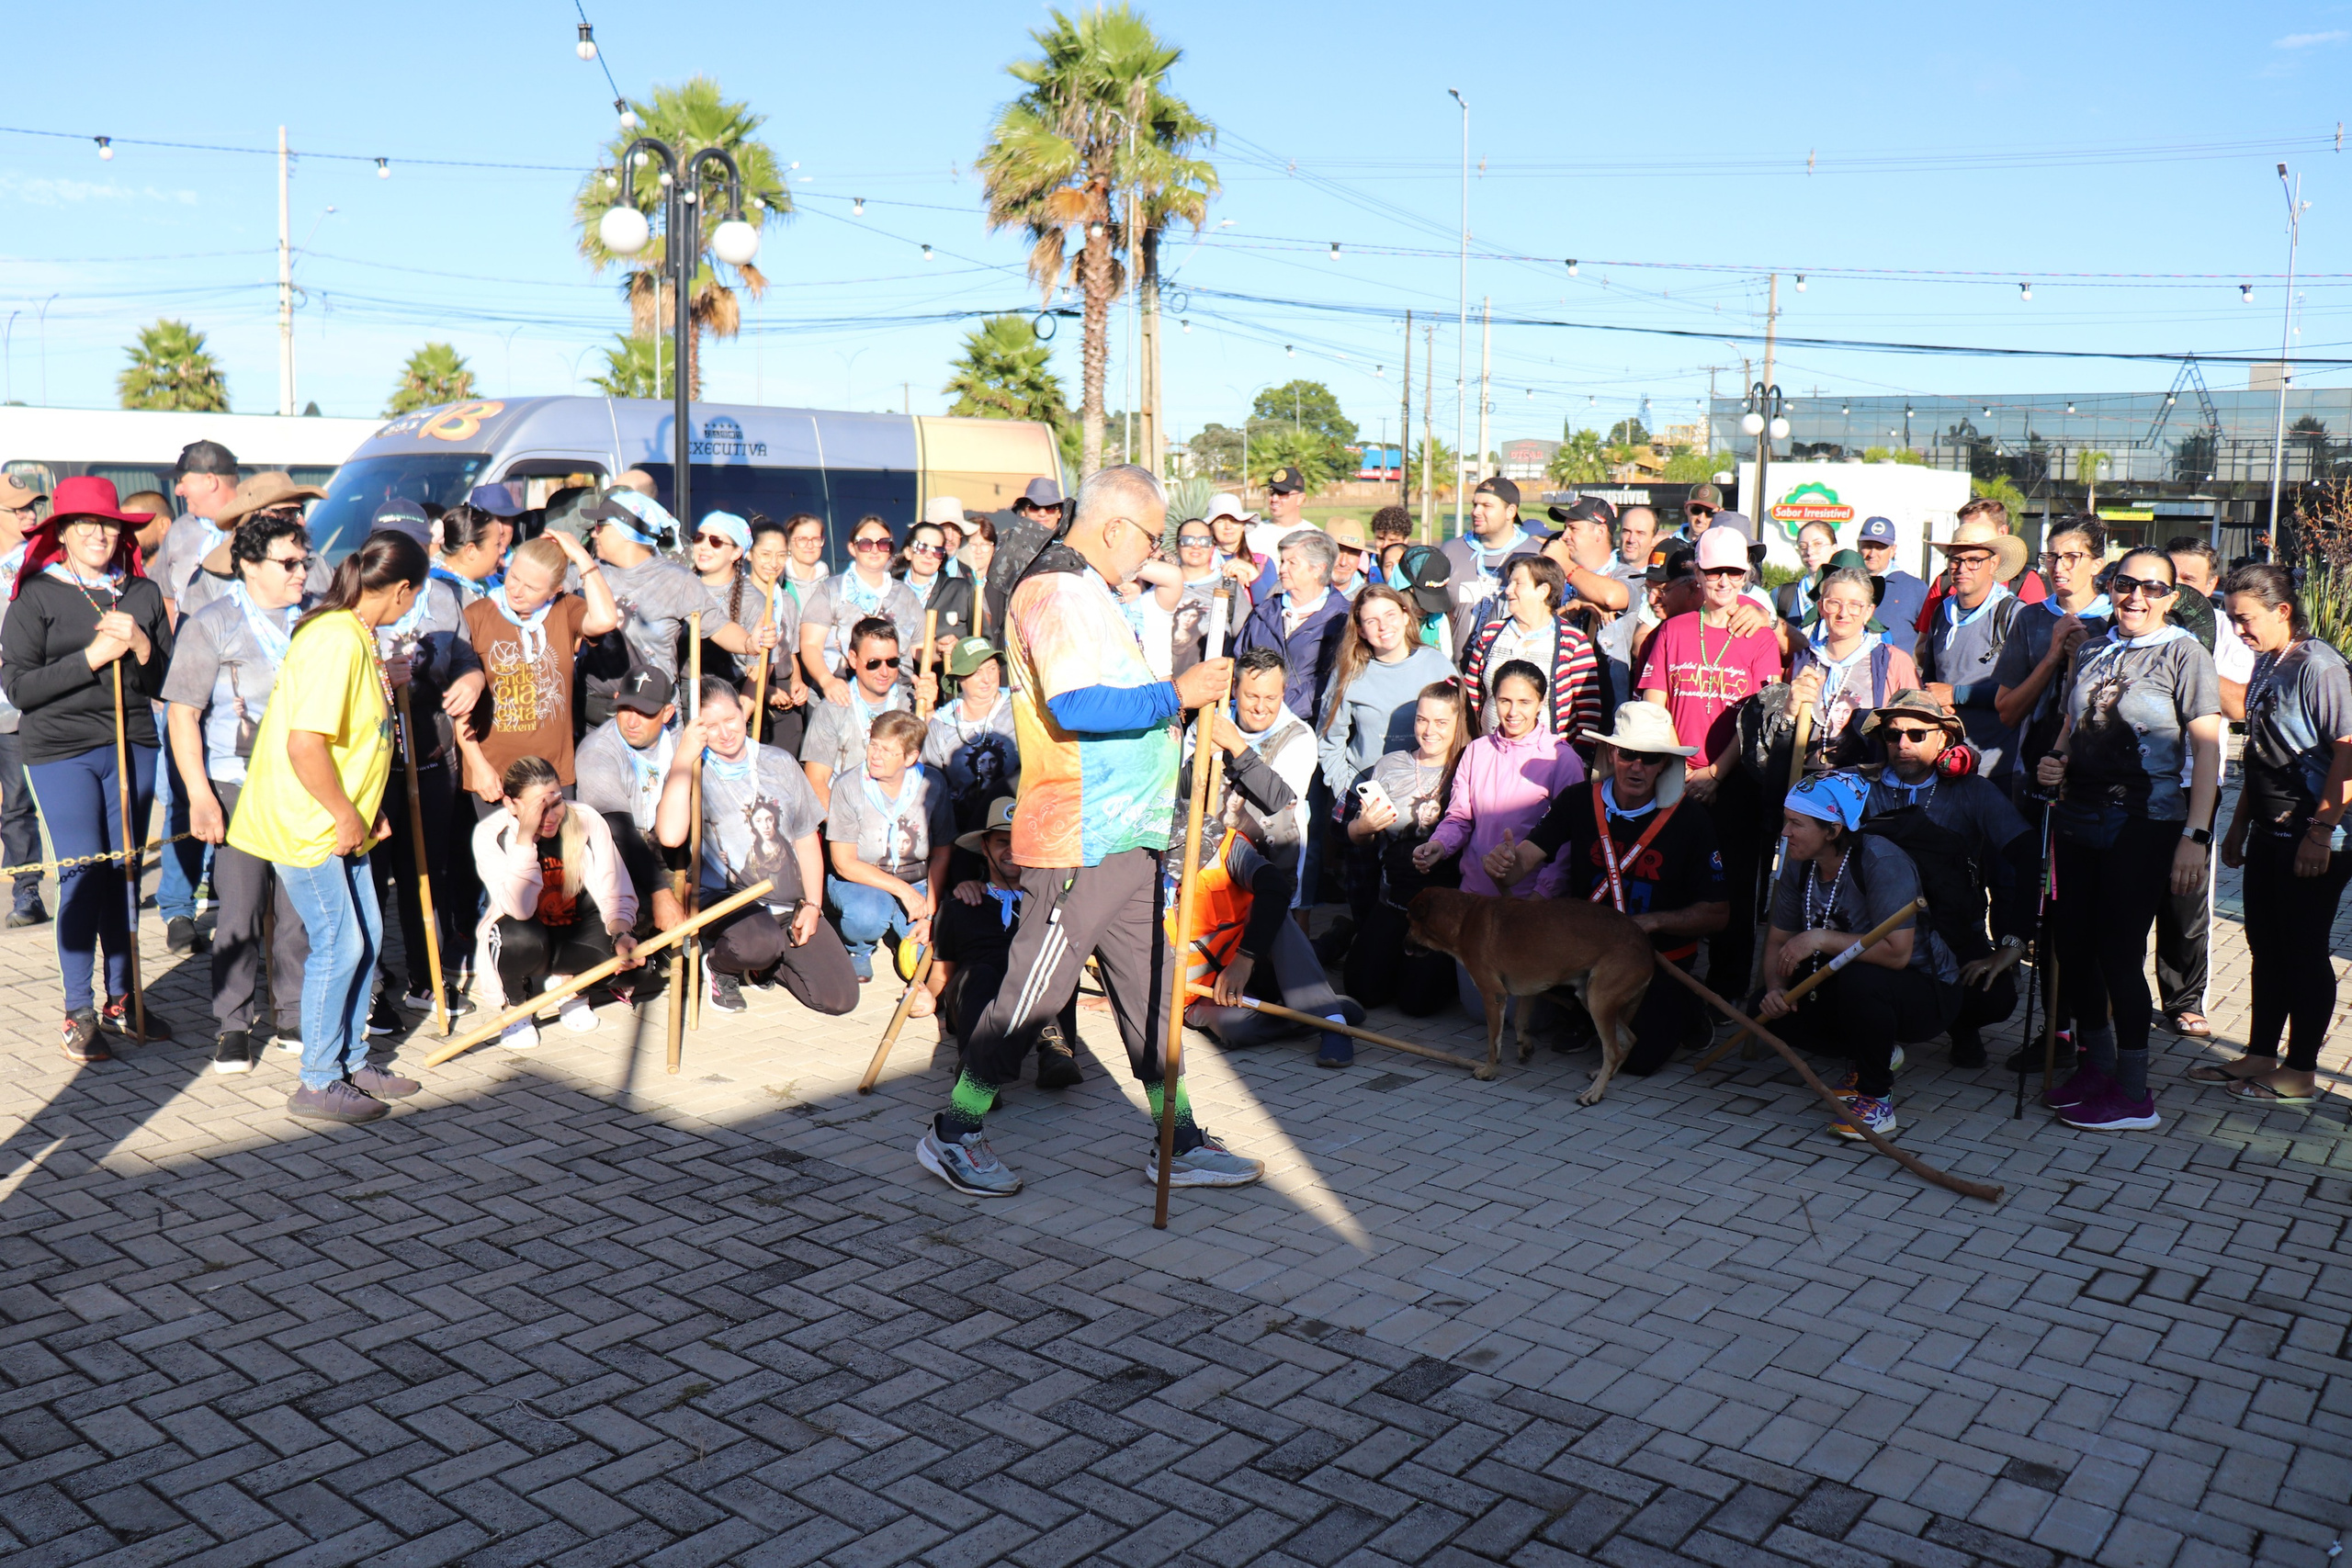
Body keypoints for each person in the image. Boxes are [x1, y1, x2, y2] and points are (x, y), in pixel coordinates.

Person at [916, 464, 1258, 1198]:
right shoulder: (1058, 591)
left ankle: (1181, 1137)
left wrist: (1176, 705)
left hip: (1128, 835)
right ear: (1114, 527)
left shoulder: (1094, 593)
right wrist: (1178, 693)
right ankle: (955, 1130)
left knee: (1152, 997)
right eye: (1151, 534)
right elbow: (1075, 705)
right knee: (1034, 993)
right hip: (1081, 833)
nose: (1154, 549)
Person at [226, 533, 430, 1124]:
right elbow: (305, 743)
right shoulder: (335, 639)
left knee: (364, 936)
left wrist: (367, 808)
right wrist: (345, 811)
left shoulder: (356, 635)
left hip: (345, 820)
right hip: (310, 823)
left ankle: (350, 1059)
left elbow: (356, 739)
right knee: (339, 944)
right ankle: (317, 1080)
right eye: (412, 599)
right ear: (402, 589)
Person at [2032, 547, 2221, 1134]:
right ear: (2111, 586)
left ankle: (2135, 1094)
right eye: (2126, 583)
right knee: (2074, 945)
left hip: (2144, 822)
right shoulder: (2092, 647)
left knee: (2117, 952)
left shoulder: (2185, 655)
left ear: (2171, 596)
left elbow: (2208, 750)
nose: (2136, 596)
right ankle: (2098, 1068)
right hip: (2077, 817)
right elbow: (2072, 723)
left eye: (2153, 587)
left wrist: (2196, 834)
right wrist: (2055, 761)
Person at [3, 478, 176, 1061]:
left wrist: (145, 650)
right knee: (83, 871)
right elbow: (20, 688)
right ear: (63, 533)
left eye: (109, 525)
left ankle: (123, 997)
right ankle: (78, 1009)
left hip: (134, 744)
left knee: (125, 870)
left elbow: (167, 683)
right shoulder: (37, 596)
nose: (100, 533)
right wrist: (92, 659)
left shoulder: (143, 593)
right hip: (61, 750)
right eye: (85, 524)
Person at [1490, 702, 1728, 1073]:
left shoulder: (1692, 820)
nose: (1638, 766)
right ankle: (1583, 1012)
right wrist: (1502, 866)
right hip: (1585, 951)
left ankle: (1686, 1004)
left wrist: (1650, 923)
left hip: (1655, 955)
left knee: (1640, 1062)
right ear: (1611, 753)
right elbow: (1519, 866)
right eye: (1629, 754)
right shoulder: (1577, 801)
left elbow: (1717, 913)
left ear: (1665, 763)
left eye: (1650, 758)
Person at [164, 513, 320, 1072]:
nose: (303, 572)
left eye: (305, 560)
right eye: (289, 563)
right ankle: (233, 1024)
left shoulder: (320, 619)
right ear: (250, 566)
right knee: (241, 907)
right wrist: (201, 796)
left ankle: (294, 1011)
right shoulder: (212, 623)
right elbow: (183, 715)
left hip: (307, 783)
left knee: (299, 907)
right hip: (238, 783)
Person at [2211, 565, 2352, 1105]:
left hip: (2315, 834)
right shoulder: (2271, 661)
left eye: (2245, 619)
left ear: (2282, 611)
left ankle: (2301, 1069)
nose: (2239, 630)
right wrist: (2239, 826)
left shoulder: (2320, 665)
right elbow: (2260, 754)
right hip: (2271, 830)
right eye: (2232, 619)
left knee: (2303, 949)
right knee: (2264, 945)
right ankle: (2261, 1053)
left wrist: (2321, 831)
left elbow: (2348, 748)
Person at [1759, 772, 1961, 1141]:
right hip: (1853, 973)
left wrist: (1820, 937)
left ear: (1833, 830)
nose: (1785, 833)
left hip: (1925, 991)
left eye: (1796, 824)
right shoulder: (1799, 862)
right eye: (1786, 821)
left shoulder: (1881, 861)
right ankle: (1873, 1052)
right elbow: (1778, 941)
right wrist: (1775, 988)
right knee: (1779, 1010)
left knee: (1861, 980)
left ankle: (1876, 1097)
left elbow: (1897, 955)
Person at [1638, 525, 1783, 998]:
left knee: (1736, 891)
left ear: (1746, 575)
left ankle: (1725, 993)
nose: (1724, 581)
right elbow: (1655, 707)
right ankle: (1659, 982)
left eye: (1734, 572)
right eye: (1714, 570)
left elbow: (1758, 717)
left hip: (1734, 779)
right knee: (1668, 879)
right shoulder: (1672, 631)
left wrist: (1716, 772)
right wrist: (1674, 769)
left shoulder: (1760, 635)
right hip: (1674, 775)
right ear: (1696, 572)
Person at [656, 677, 859, 1016]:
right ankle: (722, 966)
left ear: (743, 712)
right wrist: (683, 759)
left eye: (730, 720)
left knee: (838, 999)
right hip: (729, 900)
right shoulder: (693, 768)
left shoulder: (779, 761)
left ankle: (767, 963)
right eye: (711, 726)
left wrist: (812, 904)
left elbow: (807, 837)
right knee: (757, 942)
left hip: (788, 902)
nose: (725, 733)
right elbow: (671, 836)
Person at [1855, 691, 2037, 1067]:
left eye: (1917, 734)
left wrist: (2013, 942)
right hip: (1874, 930)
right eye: (1892, 735)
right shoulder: (1857, 785)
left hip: (1951, 931)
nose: (1902, 744)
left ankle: (1962, 1026)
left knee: (1995, 996)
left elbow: (2031, 859)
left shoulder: (1974, 791)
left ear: (1943, 738)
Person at [1414, 660, 1588, 1019]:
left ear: (1542, 703)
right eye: (1504, 700)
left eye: (1524, 702)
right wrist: (1439, 846)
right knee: (1479, 1011)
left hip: (1529, 905)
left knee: (1525, 1018)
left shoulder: (1562, 758)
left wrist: (1543, 897)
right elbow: (1460, 816)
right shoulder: (1477, 752)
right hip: (1475, 902)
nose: (1512, 712)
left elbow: (1569, 841)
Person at [2154, 535, 2255, 1039]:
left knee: (2186, 896)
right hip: (2134, 780)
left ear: (2211, 585)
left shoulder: (2225, 633)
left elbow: (2239, 706)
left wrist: (2191, 660)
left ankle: (2184, 999)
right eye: (2168, 577)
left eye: (2189, 580)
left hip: (2194, 781)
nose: (2176, 590)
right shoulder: (2138, 619)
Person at [471, 755, 641, 1050]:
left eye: (557, 802)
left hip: (576, 926)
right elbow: (519, 908)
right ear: (511, 805)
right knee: (518, 937)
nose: (551, 815)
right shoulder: (491, 835)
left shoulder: (585, 818)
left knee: (635, 961)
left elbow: (617, 891)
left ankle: (572, 990)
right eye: (539, 807)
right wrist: (526, 841)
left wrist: (623, 933)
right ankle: (517, 1006)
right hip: (527, 932)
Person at [576, 489, 771, 724]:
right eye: (700, 537)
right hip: (592, 715)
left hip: (655, 715)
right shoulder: (582, 572)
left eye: (600, 526)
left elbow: (719, 627)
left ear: (623, 531)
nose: (594, 535)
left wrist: (750, 643)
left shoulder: (676, 580)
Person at [929, 796, 1083, 1087]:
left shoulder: (1052, 904)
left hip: (1031, 989)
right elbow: (942, 976)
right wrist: (928, 996)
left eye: (1021, 842)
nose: (1012, 851)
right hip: (977, 991)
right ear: (984, 848)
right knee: (982, 972)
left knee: (1054, 963)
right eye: (1002, 842)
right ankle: (976, 1068)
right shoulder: (960, 904)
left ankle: (1055, 1049)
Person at [456, 532, 620, 804]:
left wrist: (580, 556)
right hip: (494, 777)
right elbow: (459, 706)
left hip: (553, 775)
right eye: (513, 577)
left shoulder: (565, 610)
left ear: (555, 590)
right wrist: (479, 768)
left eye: (531, 588)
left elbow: (605, 620)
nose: (517, 590)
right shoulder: (477, 616)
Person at [1340, 678, 1471, 1015]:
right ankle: (1341, 940)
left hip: (1444, 903)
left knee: (1417, 1005)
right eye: (1422, 719)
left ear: (1458, 724)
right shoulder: (1389, 765)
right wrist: (1364, 828)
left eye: (1442, 722)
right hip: (1396, 899)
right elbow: (1351, 836)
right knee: (1361, 991)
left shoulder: (1468, 766)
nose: (1429, 731)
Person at [824, 707, 955, 987]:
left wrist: (929, 912)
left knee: (923, 958)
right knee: (866, 916)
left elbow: (943, 852)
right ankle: (859, 947)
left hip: (918, 877)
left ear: (910, 757)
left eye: (886, 750)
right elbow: (843, 862)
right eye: (873, 745)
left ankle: (899, 930)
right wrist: (903, 891)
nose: (875, 755)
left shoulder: (933, 784)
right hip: (863, 880)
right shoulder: (849, 785)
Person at [1993, 517, 2109, 793]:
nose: (2058, 568)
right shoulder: (2031, 618)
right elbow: (2007, 712)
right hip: (2033, 767)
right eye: (2052, 557)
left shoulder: (2116, 620)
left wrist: (2086, 655)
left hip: (2100, 774)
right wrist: (2051, 656)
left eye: (2071, 557)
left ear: (2097, 564)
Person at [572, 663, 688, 941]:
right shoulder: (598, 752)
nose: (632, 721)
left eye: (645, 713)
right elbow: (618, 830)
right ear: (615, 702)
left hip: (668, 845)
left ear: (667, 714)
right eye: (626, 709)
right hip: (618, 852)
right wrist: (661, 893)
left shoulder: (679, 740)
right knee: (634, 918)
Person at [1316, 585, 1455, 809]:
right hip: (1366, 794)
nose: (1383, 627)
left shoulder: (1436, 666)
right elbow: (1329, 741)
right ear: (1360, 630)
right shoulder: (1348, 673)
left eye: (1390, 615)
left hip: (1428, 797)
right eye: (1371, 621)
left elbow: (1459, 733)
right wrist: (1348, 791)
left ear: (1406, 615)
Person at [1777, 555, 1919, 771]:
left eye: (1855, 605)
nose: (1844, 613)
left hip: (1868, 787)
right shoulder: (1803, 660)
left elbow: (1914, 729)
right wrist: (1789, 708)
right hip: (1807, 786)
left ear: (1868, 611)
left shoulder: (1894, 662)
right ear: (1821, 607)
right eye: (1834, 603)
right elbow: (1782, 733)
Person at [1919, 516, 2028, 780]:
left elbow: (2022, 694)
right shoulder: (1941, 613)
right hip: (1943, 759)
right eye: (1955, 560)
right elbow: (1931, 678)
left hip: (1995, 767)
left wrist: (1956, 694)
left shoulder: (2014, 614)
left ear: (1994, 563)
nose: (1962, 568)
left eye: (1973, 560)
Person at [1460, 556, 1603, 744]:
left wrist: (1580, 761)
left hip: (1549, 762)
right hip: (1492, 754)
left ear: (1543, 590)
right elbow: (1471, 696)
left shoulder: (1572, 642)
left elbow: (1589, 712)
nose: (1508, 590)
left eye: (1517, 583)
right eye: (1510, 583)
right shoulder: (1490, 634)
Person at [802, 616, 934, 809]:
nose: (884, 671)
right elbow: (816, 782)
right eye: (873, 663)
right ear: (853, 659)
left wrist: (929, 711)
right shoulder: (832, 709)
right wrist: (845, 829)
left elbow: (933, 764)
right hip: (848, 821)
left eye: (892, 662)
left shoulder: (914, 703)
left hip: (904, 821)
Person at [797, 515, 926, 698]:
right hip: (841, 695)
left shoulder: (906, 595)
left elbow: (921, 649)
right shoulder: (831, 590)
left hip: (895, 697)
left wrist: (943, 649)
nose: (874, 549)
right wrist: (827, 681)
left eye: (883, 543)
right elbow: (810, 645)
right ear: (852, 548)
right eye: (865, 543)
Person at [1232, 528, 1351, 724]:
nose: (1282, 569)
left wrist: (1277, 706)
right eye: (1282, 561)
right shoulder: (1264, 613)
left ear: (1318, 569)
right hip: (1253, 724)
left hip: (1311, 726)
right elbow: (1239, 663)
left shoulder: (1344, 619)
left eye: (1292, 563)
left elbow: (1335, 682)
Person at [0, 474, 49, 927]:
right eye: (18, 509)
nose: (29, 514)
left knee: (17, 802)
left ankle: (27, 892)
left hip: (18, 706)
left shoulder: (41, 563)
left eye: (32, 506)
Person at [923, 637, 1020, 835]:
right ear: (959, 678)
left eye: (992, 669)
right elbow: (932, 784)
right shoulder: (942, 724)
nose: (987, 679)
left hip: (1015, 825)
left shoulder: (1019, 708)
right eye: (976, 672)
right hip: (962, 831)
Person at [1916, 497, 2047, 634]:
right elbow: (1923, 644)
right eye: (1965, 530)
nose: (1969, 540)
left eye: (1977, 530)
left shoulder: (2025, 582)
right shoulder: (1945, 581)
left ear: (2002, 532)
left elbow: (2033, 640)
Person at [738, 514, 810, 750]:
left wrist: (797, 681)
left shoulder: (786, 599)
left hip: (785, 692)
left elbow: (791, 651)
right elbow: (738, 660)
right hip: (749, 689)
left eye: (782, 555)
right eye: (766, 555)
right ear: (748, 554)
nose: (774, 563)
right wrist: (766, 690)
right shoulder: (739, 597)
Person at [1439, 476, 1534, 649]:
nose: (1476, 512)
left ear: (1510, 511)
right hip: (1458, 671)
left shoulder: (1535, 554)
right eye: (1475, 505)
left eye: (1487, 506)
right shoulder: (1451, 551)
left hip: (1511, 671)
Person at [153, 438, 242, 615]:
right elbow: (166, 598)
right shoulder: (179, 530)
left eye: (182, 480)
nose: (178, 490)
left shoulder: (258, 526)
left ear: (210, 481)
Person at [895, 516, 976, 658]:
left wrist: (958, 648)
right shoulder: (889, 591)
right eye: (921, 547)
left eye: (937, 551)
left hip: (946, 678)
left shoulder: (960, 590)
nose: (929, 555)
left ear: (942, 558)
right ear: (908, 552)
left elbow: (982, 642)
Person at [1536, 497, 1633, 614]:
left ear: (1600, 532)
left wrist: (1564, 563)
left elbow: (1611, 597)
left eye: (1573, 529)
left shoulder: (1628, 574)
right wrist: (1572, 607)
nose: (1564, 536)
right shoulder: (1556, 573)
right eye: (1565, 528)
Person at [1856, 515, 1929, 660]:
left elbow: (1929, 639)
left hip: (1896, 676)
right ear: (1858, 546)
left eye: (1880, 547)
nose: (1872, 554)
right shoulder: (1847, 585)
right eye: (1867, 546)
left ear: (1893, 550)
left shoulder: (1914, 588)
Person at [1205, 492, 1272, 604]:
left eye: (1234, 521)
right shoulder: (1202, 562)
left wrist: (1252, 572)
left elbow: (1269, 608)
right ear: (1211, 528)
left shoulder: (1263, 563)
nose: (1228, 527)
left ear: (1243, 526)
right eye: (1220, 521)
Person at [1774, 522, 1840, 629]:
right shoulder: (1782, 596)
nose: (1809, 552)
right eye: (1803, 546)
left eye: (1818, 544)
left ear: (1834, 548)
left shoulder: (1847, 592)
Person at [1610, 505, 1661, 591]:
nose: (1631, 539)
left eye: (1640, 533)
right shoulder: (1602, 567)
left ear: (1654, 539)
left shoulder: (1660, 578)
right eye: (1626, 531)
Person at [1326, 516, 1371, 601]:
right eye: (1338, 550)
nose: (1343, 562)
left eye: (1353, 552)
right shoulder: (1301, 592)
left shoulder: (1368, 599)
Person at [1369, 505, 1413, 584]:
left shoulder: (1414, 568)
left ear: (1406, 540)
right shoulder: (1362, 569)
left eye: (1393, 540)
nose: (1385, 545)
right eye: (1380, 539)